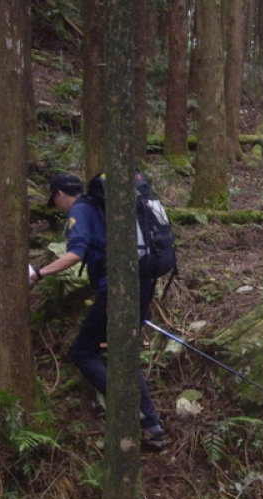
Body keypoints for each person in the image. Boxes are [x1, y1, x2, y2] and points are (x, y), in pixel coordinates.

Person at [30, 173, 166, 449]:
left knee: (82, 351)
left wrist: (38, 274)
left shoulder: (81, 210)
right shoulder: (105, 207)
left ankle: (128, 407)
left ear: (59, 195)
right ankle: (152, 426)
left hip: (117, 288)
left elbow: (76, 253)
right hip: (144, 281)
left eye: (55, 203)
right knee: (124, 353)